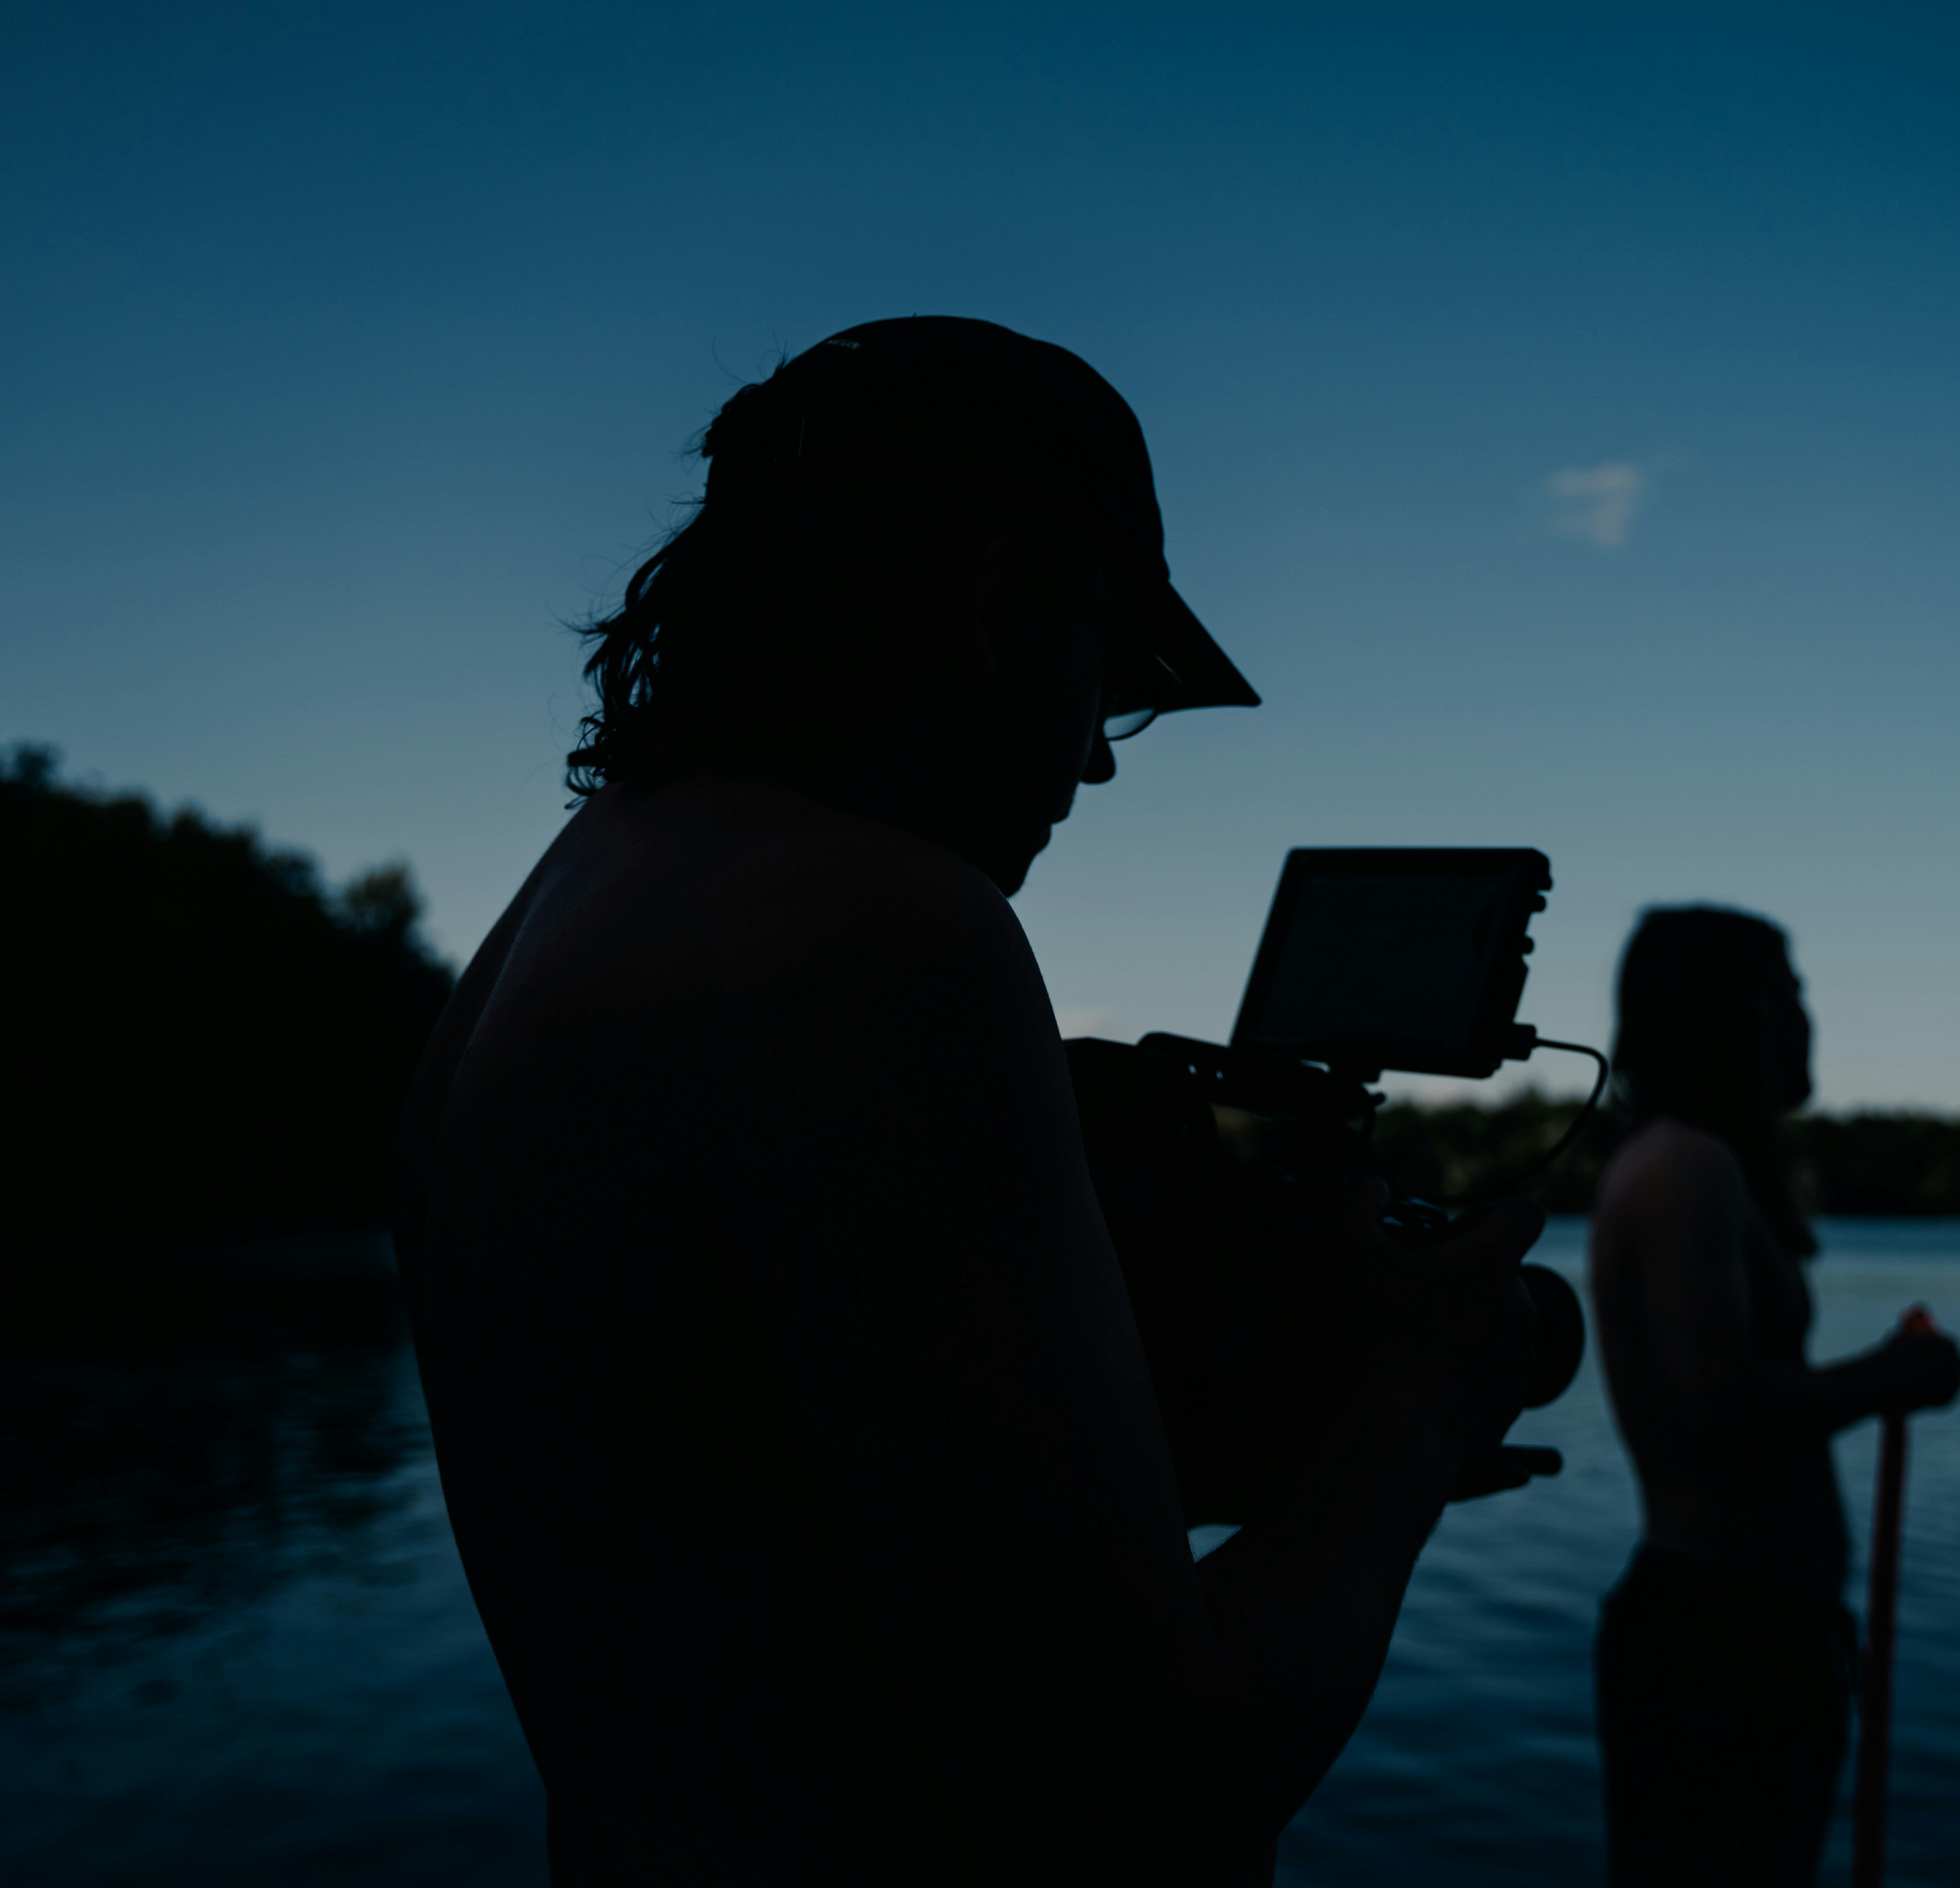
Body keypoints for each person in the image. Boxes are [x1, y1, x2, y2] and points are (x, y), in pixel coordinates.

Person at [389, 317, 1552, 1885]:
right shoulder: (872, 932)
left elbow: (775, 1522)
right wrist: (1414, 1406)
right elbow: (1150, 1810)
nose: (1096, 769)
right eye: (1116, 683)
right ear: (1007, 604)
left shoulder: (568, 907)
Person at [1586, 906, 1960, 1887]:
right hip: (1724, 1649)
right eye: (1784, 993)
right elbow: (1716, 1409)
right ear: (1722, 1014)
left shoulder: (1676, 1160)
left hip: (1737, 1636)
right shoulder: (1687, 1166)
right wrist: (1892, 1377)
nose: (1804, 1020)